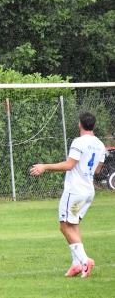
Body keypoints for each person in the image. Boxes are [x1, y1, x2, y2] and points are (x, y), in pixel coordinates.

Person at [30, 111, 105, 278]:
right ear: (93, 125)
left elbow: (69, 165)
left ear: (80, 124)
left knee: (64, 226)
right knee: (74, 226)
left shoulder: (78, 142)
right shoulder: (100, 145)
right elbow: (98, 170)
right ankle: (76, 264)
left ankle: (85, 261)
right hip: (88, 191)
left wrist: (44, 166)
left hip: (75, 190)